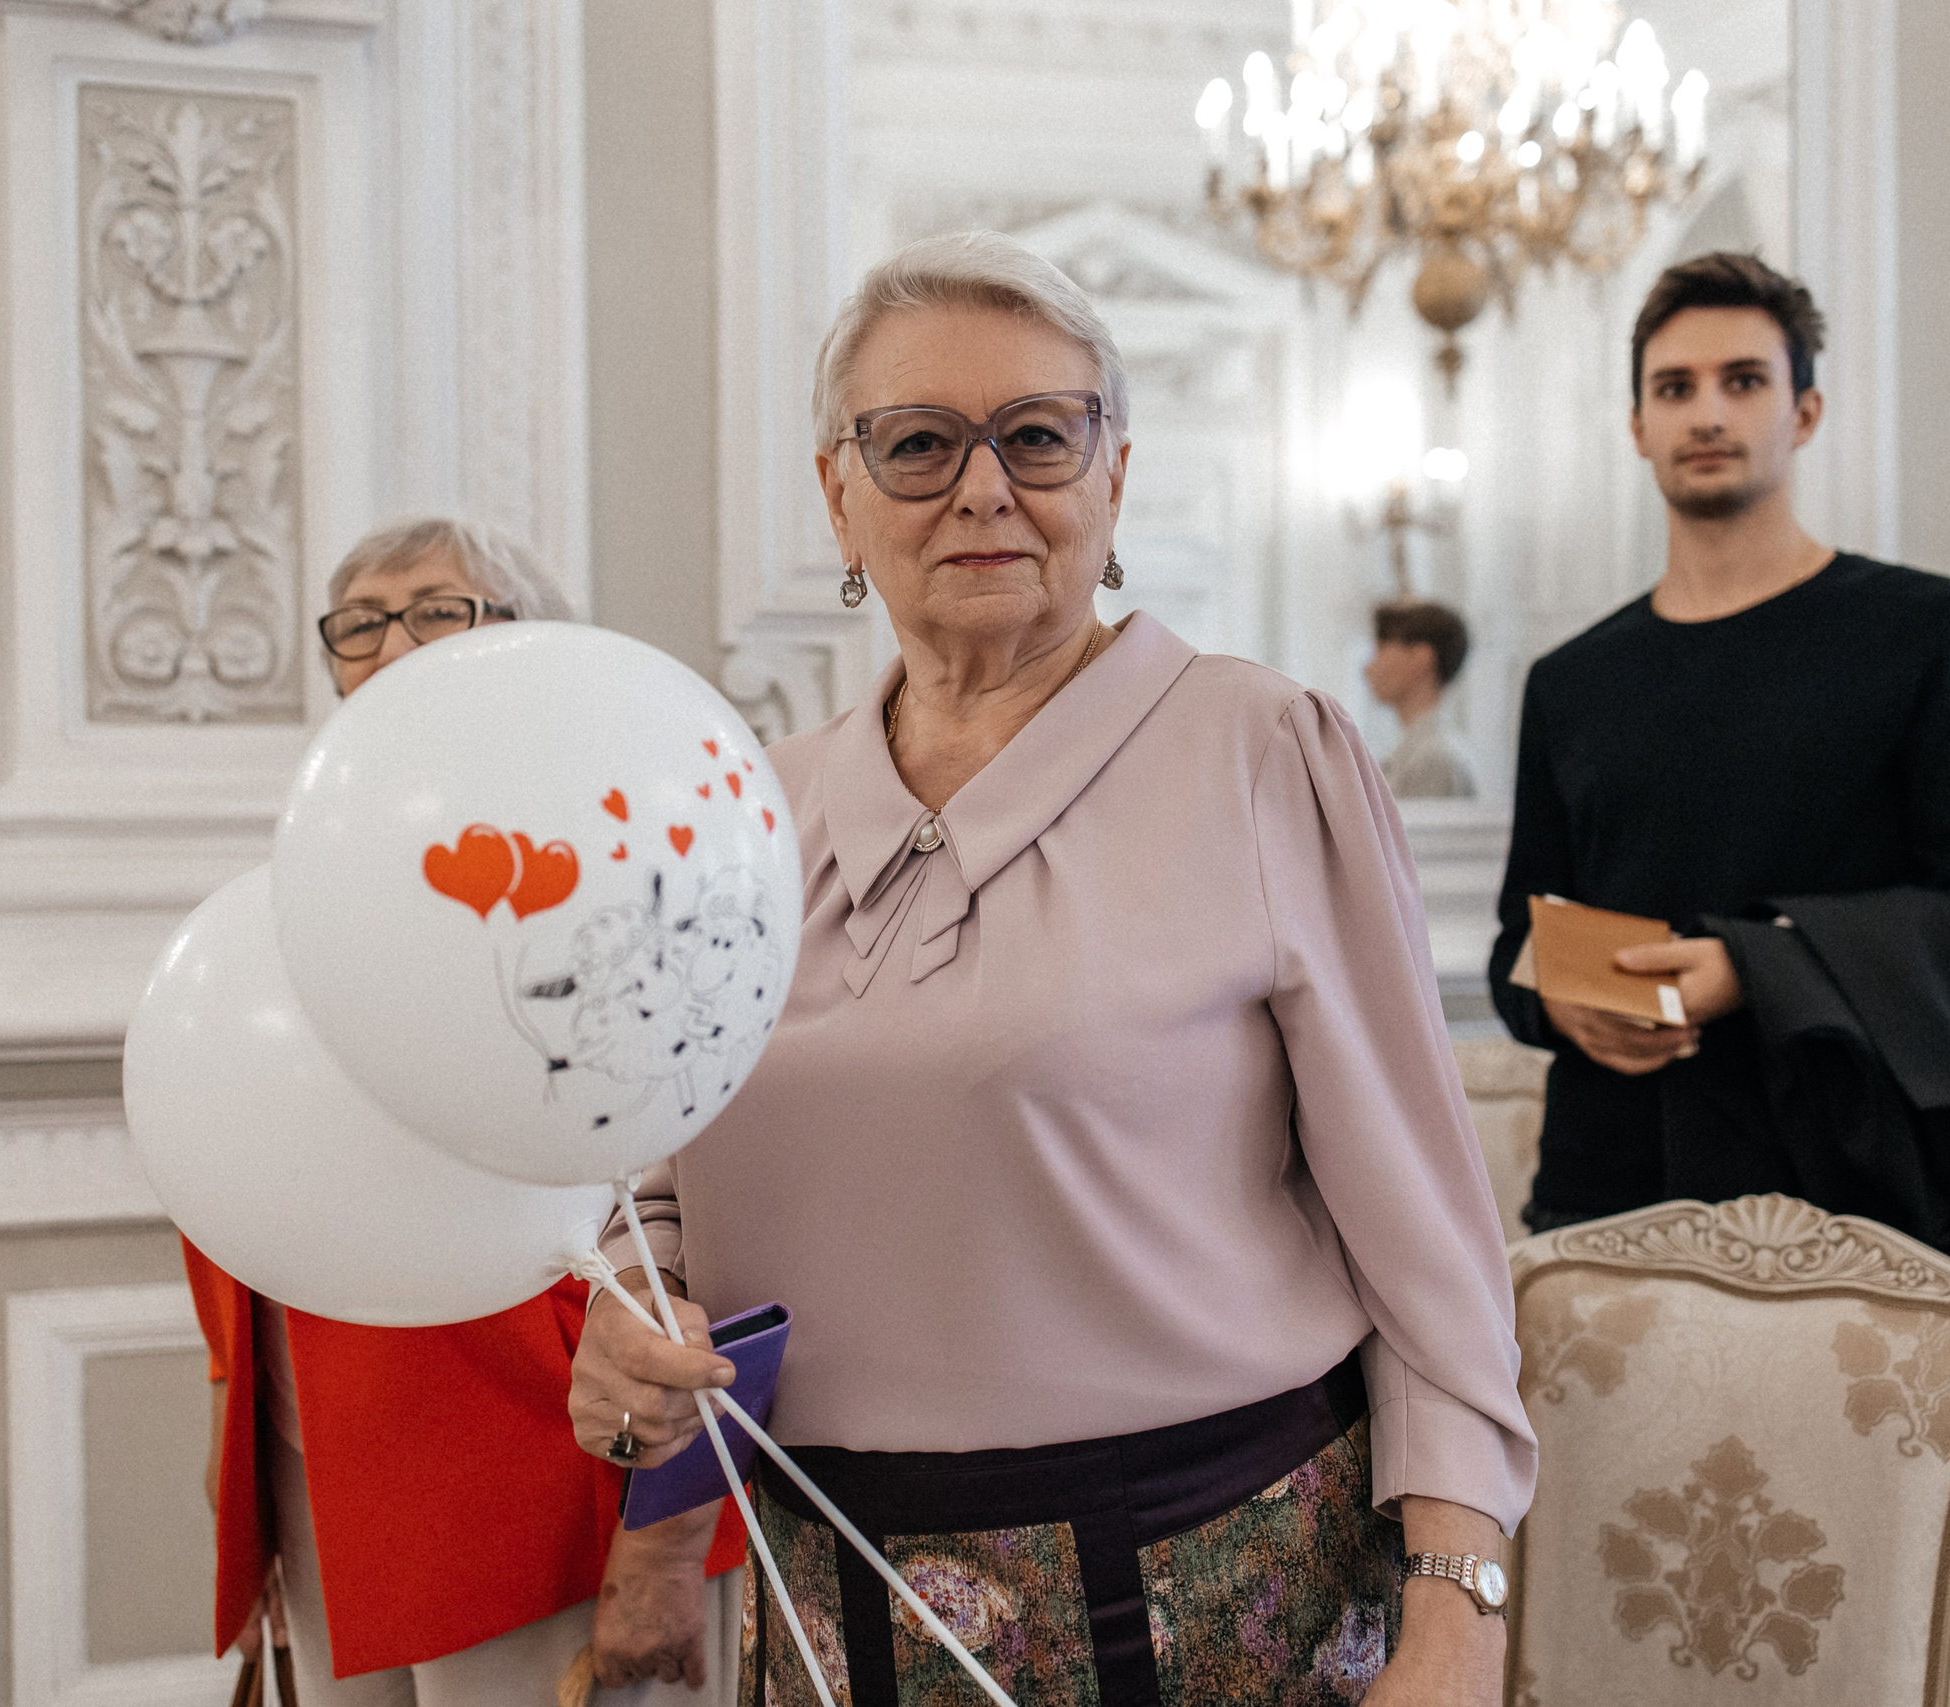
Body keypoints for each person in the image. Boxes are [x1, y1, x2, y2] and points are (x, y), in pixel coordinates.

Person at [566, 232, 1535, 1707]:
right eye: (916, 443)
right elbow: (666, 1192)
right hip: (821, 1601)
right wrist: (629, 1335)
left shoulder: (1262, 752)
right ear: (837, 493)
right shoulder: (741, 810)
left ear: (1114, 478)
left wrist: (1459, 1604)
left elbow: (1426, 1237)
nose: (981, 488)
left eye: (1036, 436)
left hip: (1213, 1594)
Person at [1484, 252, 1950, 1349]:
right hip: (1609, 1195)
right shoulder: (1570, 682)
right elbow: (1520, 940)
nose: (1707, 412)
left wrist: (1755, 966)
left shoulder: (1927, 631)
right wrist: (1560, 1002)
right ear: (1637, 426)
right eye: (1675, 387)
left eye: (1743, 381)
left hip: (1859, 1196)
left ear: (1805, 411)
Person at [184, 517, 746, 1704]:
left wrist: (662, 1546)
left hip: (543, 1502)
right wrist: (241, 1448)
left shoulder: (614, 876)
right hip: (321, 1475)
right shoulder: (317, 872)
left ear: (530, 646)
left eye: (440, 610)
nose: (394, 645)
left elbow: (690, 1228)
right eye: (360, 623)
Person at [1363, 599, 1475, 799]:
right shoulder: (1418, 751)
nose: (1368, 668)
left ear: (1421, 658)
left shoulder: (1434, 758)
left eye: (1380, 650)